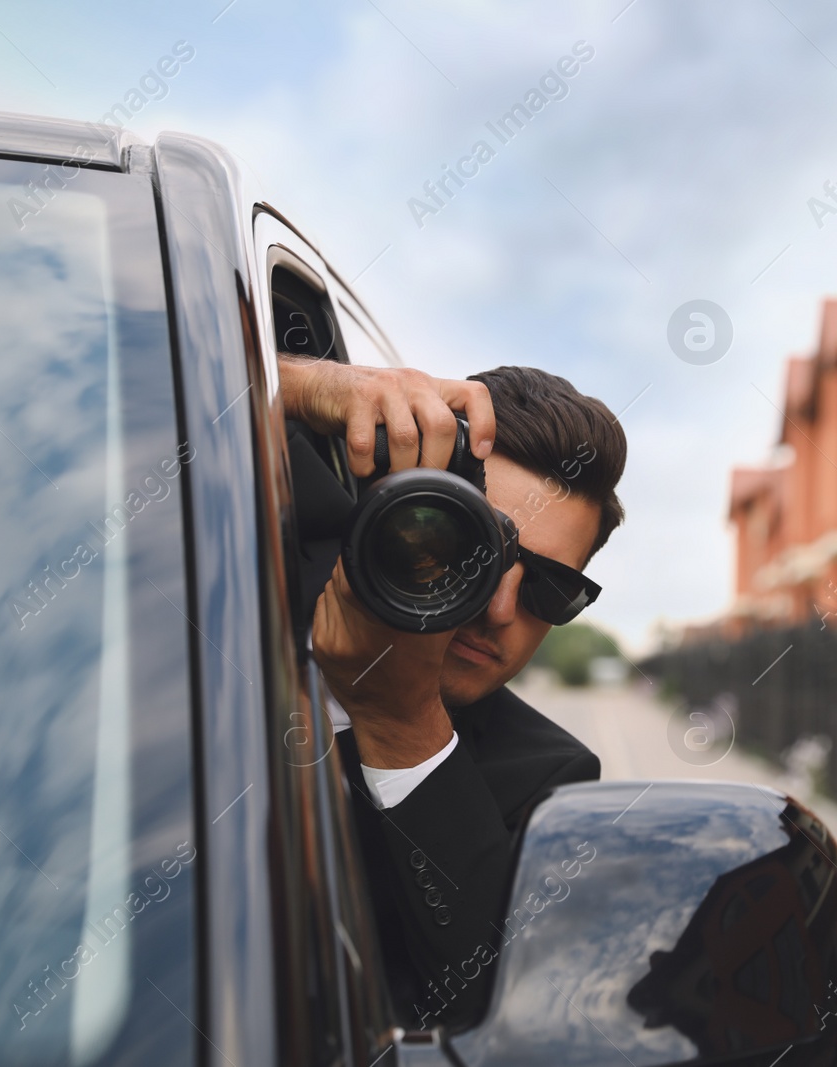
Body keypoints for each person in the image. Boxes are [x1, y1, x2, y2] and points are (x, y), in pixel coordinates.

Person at [277, 355, 627, 1029]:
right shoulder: (243, 570)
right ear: (383, 514)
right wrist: (297, 381)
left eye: (549, 588)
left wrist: (405, 727)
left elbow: (505, 1017)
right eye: (473, 546)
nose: (498, 607)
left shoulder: (547, 782)